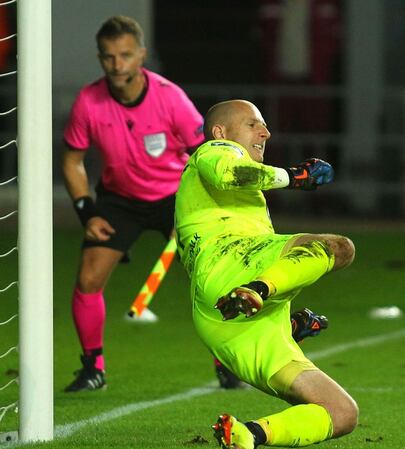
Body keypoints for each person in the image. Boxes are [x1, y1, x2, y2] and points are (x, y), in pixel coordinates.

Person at [60, 16, 329, 393]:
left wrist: (189, 213)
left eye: (124, 55)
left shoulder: (169, 98)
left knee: (217, 278)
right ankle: (93, 368)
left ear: (141, 55)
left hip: (175, 194)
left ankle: (230, 362)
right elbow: (72, 161)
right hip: (119, 199)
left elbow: (209, 153)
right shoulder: (89, 102)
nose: (117, 65)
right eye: (108, 57)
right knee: (89, 277)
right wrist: (87, 211)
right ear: (100, 59)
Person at [174, 100, 358, 448]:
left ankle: (248, 435)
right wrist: (294, 176)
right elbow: (229, 173)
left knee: (341, 412)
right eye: (253, 124)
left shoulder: (232, 184)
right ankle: (260, 289)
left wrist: (287, 328)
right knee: (339, 248)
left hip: (226, 324)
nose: (265, 132)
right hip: (232, 260)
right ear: (221, 132)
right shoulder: (213, 151)